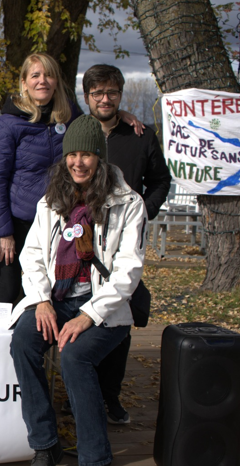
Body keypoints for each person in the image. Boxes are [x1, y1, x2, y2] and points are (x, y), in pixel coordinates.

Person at [8, 116, 147, 466]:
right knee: (23, 343)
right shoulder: (52, 200)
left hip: (105, 306)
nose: (78, 162)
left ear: (99, 158)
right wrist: (40, 301)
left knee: (75, 356)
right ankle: (45, 447)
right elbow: (32, 254)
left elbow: (128, 270)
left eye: (86, 154)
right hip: (56, 297)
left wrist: (88, 316)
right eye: (72, 154)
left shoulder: (127, 203)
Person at [73, 64, 172, 425]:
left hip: (122, 242)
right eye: (97, 93)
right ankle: (80, 389)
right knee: (80, 312)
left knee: (118, 318)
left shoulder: (140, 136)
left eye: (112, 92)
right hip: (82, 242)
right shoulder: (76, 133)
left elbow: (161, 181)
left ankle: (110, 395)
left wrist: (144, 210)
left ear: (121, 95)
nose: (104, 99)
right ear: (87, 97)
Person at [0, 53, 81, 304]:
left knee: (59, 290)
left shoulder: (71, 116)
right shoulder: (8, 123)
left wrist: (124, 116)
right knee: (7, 294)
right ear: (24, 83)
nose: (42, 81)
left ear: (56, 81)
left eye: (49, 75)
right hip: (18, 221)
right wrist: (4, 233)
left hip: (57, 220)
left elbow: (97, 130)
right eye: (35, 75)